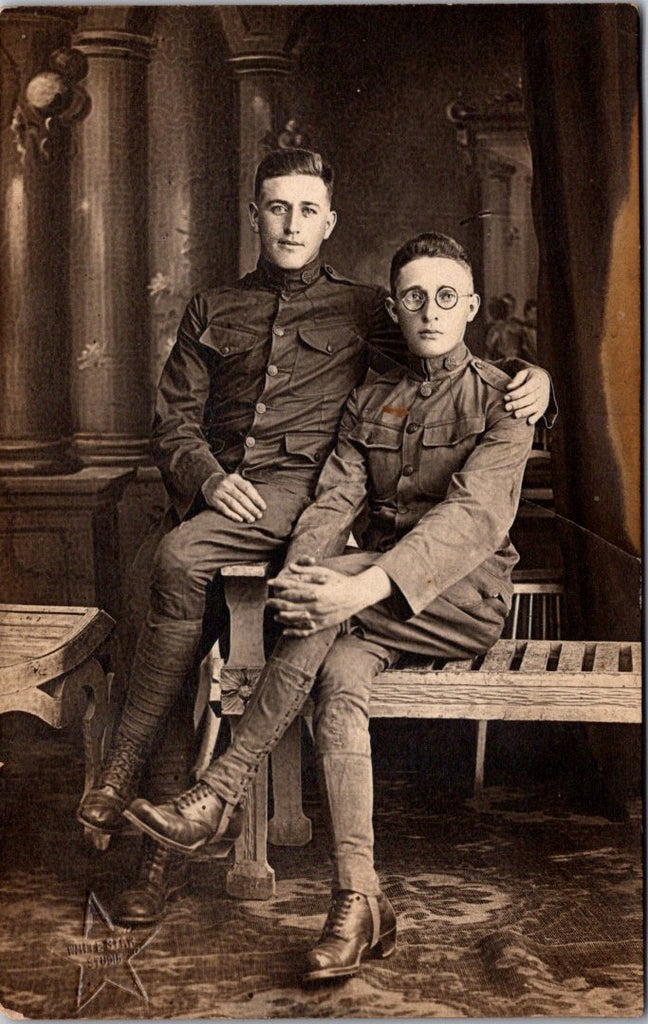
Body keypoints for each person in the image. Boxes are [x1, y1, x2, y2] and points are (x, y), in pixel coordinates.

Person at [77, 149, 551, 926]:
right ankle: (294, 884)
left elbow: (458, 384)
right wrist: (216, 487)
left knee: (190, 576)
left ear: (330, 223)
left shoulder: (374, 314)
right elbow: (179, 423)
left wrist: (542, 382)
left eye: (308, 211)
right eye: (276, 208)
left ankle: (176, 792)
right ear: (255, 214)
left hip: (349, 542)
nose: (292, 224)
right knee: (179, 627)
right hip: (218, 508)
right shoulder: (216, 309)